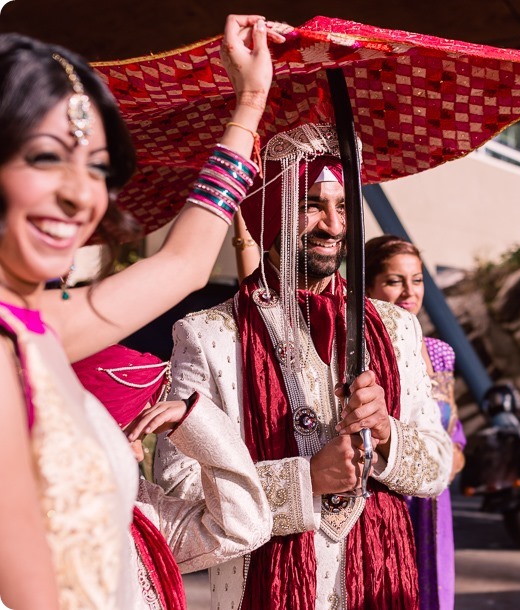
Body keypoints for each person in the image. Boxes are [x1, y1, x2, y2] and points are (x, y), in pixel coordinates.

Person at [0, 15, 280, 608]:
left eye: (98, 166)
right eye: (48, 158)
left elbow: (183, 265)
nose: (80, 194)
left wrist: (250, 103)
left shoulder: (37, 326)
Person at [154, 123, 453, 610]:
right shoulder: (209, 334)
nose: (333, 226)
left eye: (342, 208)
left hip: (384, 582)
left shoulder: (396, 326)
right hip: (263, 586)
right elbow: (180, 494)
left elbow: (438, 467)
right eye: (311, 205)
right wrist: (307, 478)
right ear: (270, 211)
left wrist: (384, 435)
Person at [73, 344, 276, 609]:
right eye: (126, 435)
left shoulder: (142, 513)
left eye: (141, 438)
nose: (138, 455)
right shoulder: (24, 519)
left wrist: (193, 421)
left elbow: (243, 527)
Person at [365, 235, 466, 610]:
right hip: (389, 502)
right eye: (395, 281)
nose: (409, 292)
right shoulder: (359, 351)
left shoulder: (440, 353)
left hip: (435, 505)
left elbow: (452, 426)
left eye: (417, 279)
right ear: (369, 286)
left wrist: (455, 452)